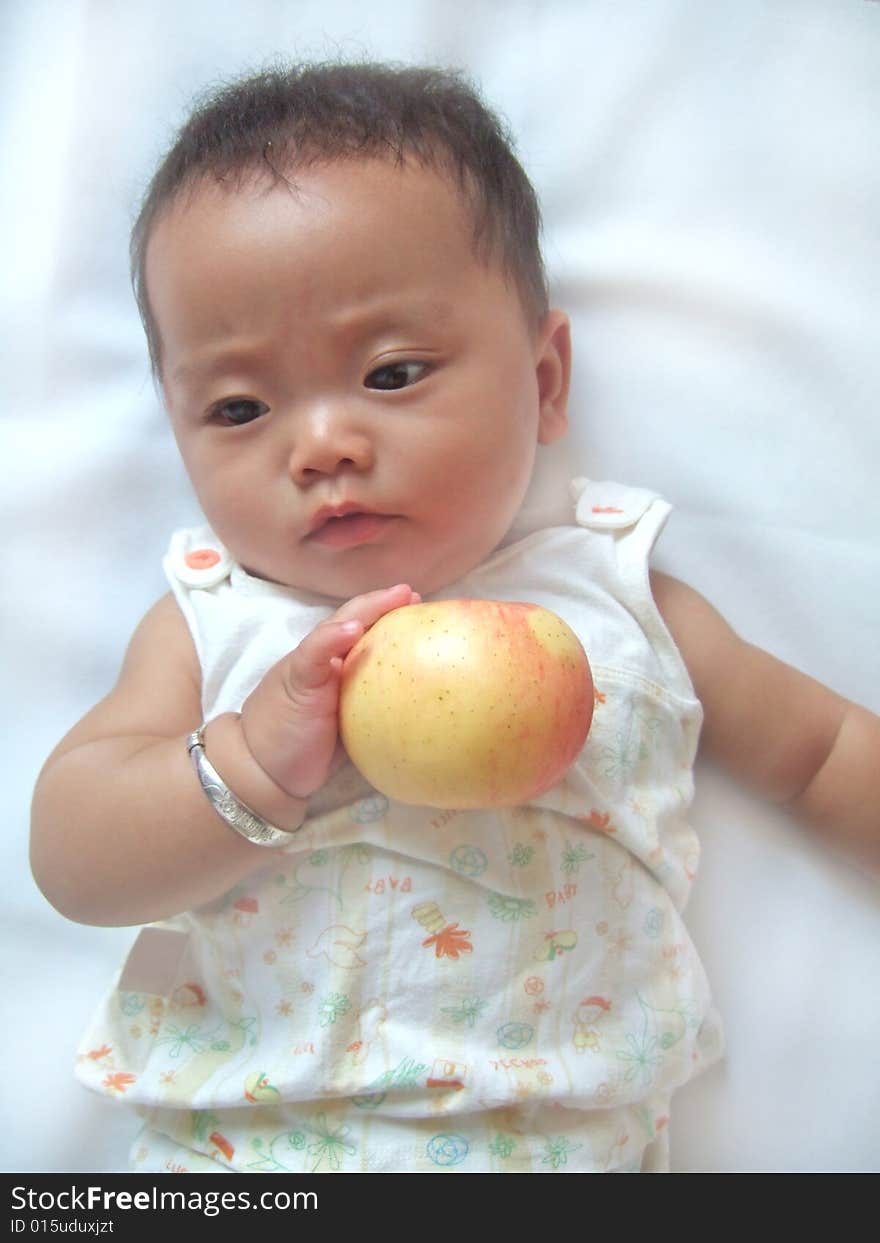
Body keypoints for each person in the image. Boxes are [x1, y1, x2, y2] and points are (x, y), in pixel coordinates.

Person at [30, 62, 879, 1174]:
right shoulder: (212, 621)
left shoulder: (618, 596)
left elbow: (817, 753)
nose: (321, 442)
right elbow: (72, 861)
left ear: (545, 378)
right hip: (245, 1156)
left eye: (390, 373)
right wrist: (244, 763)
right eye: (238, 405)